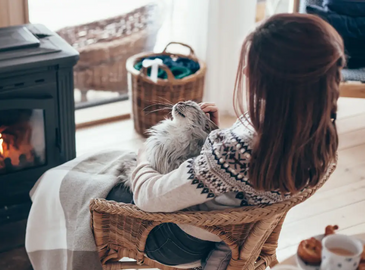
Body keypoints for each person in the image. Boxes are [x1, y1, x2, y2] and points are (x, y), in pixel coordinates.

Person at [106, 13, 343, 269]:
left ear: (274, 83)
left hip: (176, 241)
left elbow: (147, 198)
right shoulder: (320, 132)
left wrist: (143, 159)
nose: (244, 71)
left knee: (92, 185)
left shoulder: (237, 151)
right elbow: (239, 179)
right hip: (231, 235)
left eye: (251, 67)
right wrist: (216, 138)